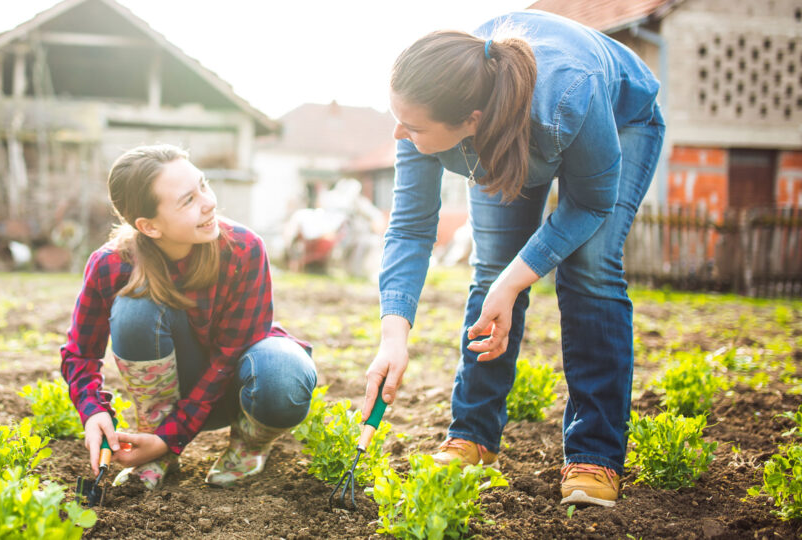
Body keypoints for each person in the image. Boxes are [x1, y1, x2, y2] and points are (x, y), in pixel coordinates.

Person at [362, 11, 665, 508]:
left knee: (589, 268)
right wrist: (393, 337)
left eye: (411, 126)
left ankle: (595, 454)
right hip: (506, 125)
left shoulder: (569, 94)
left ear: (470, 122)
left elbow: (590, 204)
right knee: (493, 265)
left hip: (620, 117)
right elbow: (411, 228)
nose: (399, 133)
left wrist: (513, 284)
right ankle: (474, 436)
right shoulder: (427, 114)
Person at [61, 144, 316, 490]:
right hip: (171, 395)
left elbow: (229, 359)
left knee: (284, 374)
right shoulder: (111, 265)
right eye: (188, 201)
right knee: (135, 307)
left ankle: (249, 446)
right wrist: (93, 412)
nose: (209, 202)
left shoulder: (243, 249)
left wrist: (171, 437)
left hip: (238, 389)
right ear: (149, 226)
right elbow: (80, 354)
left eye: (203, 185)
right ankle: (155, 447)